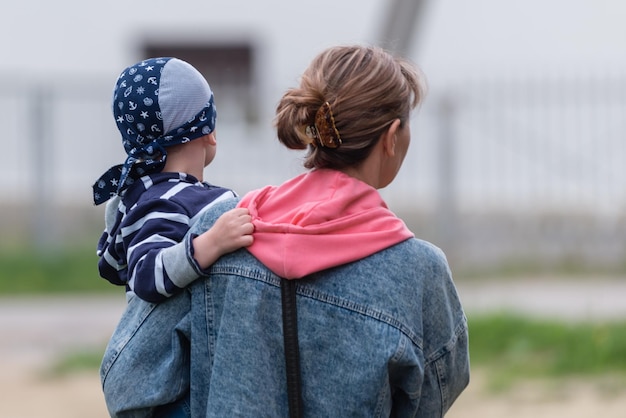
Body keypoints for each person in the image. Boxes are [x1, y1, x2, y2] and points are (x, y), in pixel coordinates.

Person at [181, 44, 470, 416]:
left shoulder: (214, 235)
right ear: (392, 136)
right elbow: (435, 395)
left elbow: (136, 376)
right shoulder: (419, 271)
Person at [93, 57, 253, 417]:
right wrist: (209, 245)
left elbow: (114, 261)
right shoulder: (165, 200)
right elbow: (147, 274)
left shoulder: (144, 194)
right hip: (168, 383)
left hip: (172, 373)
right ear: (208, 131)